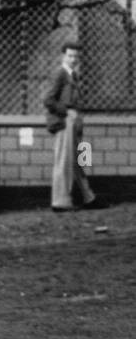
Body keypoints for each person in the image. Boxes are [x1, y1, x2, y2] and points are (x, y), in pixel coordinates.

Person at [44, 43, 107, 213]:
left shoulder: (73, 75)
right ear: (63, 56)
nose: (73, 59)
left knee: (79, 159)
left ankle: (88, 197)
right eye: (70, 56)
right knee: (64, 161)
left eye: (75, 57)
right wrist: (67, 112)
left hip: (75, 121)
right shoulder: (60, 73)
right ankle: (60, 201)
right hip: (65, 122)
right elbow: (48, 99)